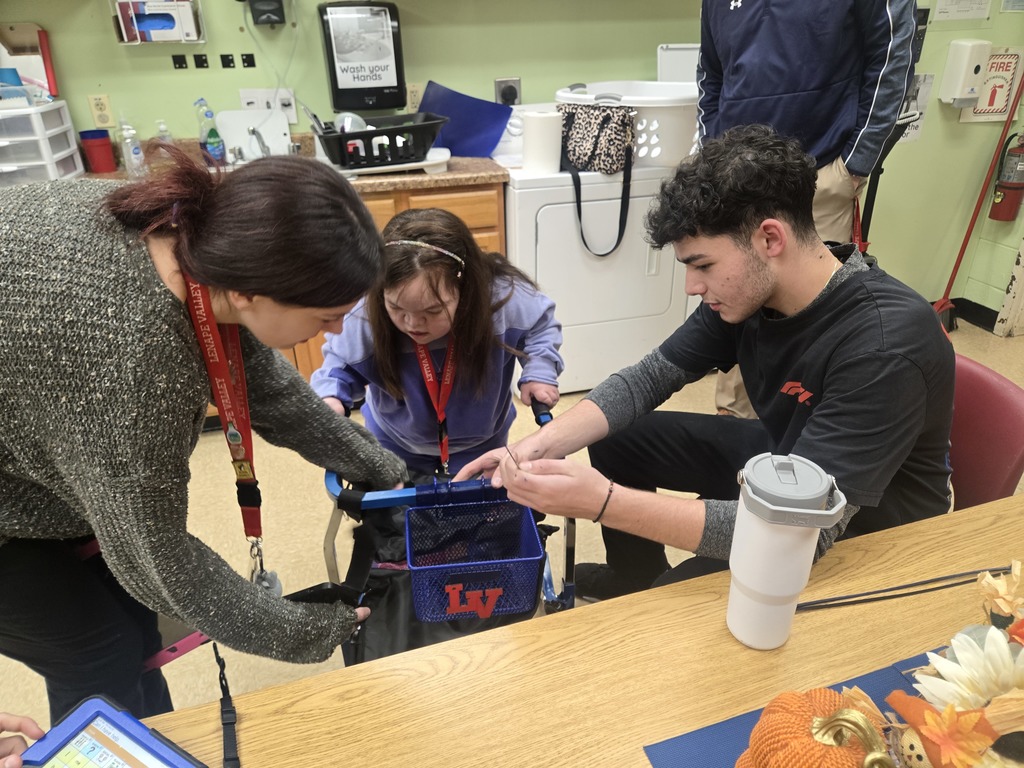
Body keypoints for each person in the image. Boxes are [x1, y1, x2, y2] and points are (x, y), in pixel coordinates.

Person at [456, 125, 954, 599]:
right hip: (787, 462)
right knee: (622, 435)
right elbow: (648, 378)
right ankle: (636, 576)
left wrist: (603, 501)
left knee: (670, 608)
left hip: (866, 527)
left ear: (770, 239)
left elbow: (796, 533)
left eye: (703, 265)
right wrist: (533, 449)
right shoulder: (750, 296)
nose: (694, 287)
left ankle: (651, 594)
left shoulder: (883, 344)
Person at [0, 144, 408, 722]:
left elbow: (264, 386)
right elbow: (156, 556)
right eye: (325, 317)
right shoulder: (136, 362)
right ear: (247, 292)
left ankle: (150, 743)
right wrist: (304, 630)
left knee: (134, 631)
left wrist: (384, 472)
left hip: (34, 413)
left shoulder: (187, 236)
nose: (339, 329)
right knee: (94, 651)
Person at [697, 0, 919, 418]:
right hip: (733, 179)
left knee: (807, 322)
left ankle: (796, 439)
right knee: (736, 308)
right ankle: (735, 428)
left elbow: (891, 61)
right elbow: (712, 74)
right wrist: (712, 155)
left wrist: (855, 164)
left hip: (819, 174)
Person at [311, 207, 563, 479]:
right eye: (396, 308)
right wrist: (331, 396)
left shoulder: (501, 298)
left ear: (464, 289)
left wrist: (540, 371)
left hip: (482, 442)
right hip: (394, 441)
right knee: (399, 514)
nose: (412, 324)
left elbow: (540, 326)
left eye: (431, 311)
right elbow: (338, 365)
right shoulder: (365, 315)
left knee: (476, 514)